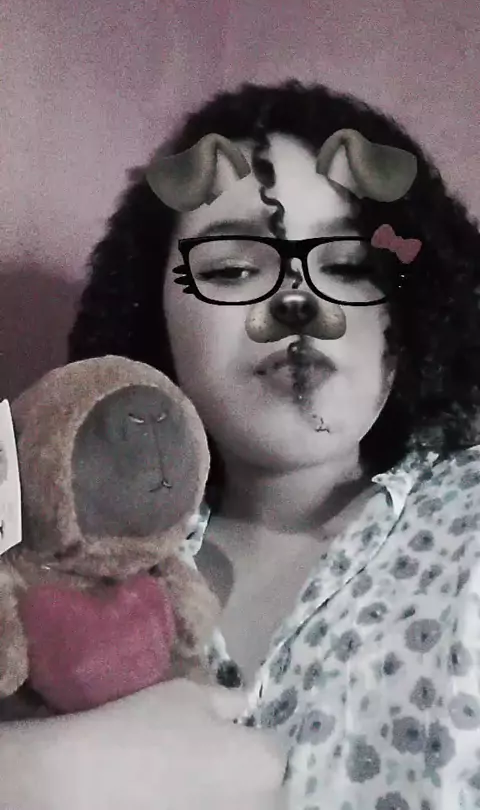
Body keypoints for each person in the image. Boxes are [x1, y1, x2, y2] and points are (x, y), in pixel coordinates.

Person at [2, 80, 480, 810]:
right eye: (231, 269)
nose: (297, 303)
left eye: (350, 266)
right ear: (153, 313)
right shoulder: (54, 554)